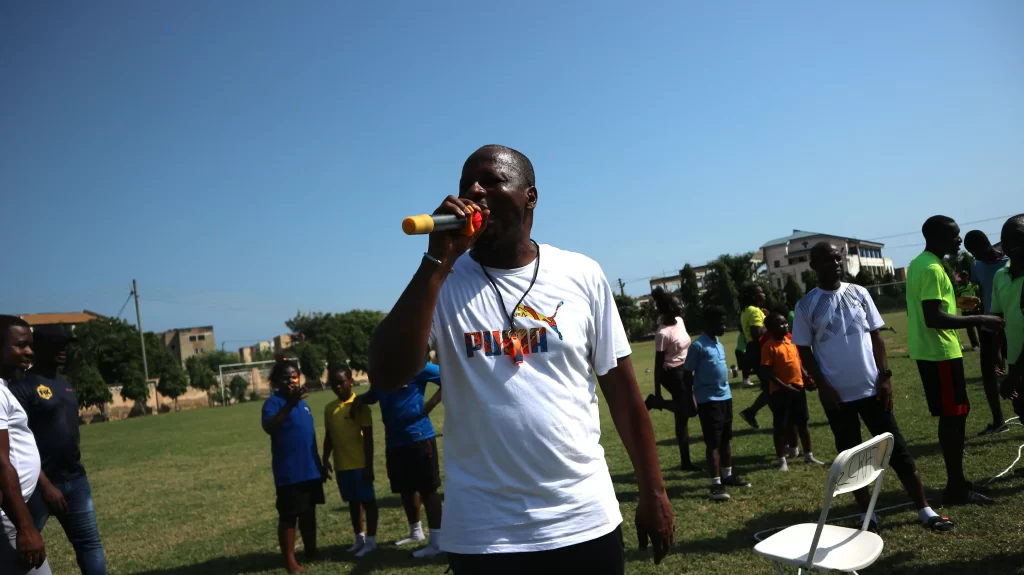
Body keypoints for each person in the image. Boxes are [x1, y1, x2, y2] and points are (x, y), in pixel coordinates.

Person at [367, 145, 673, 574]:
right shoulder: (442, 283)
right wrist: (437, 262)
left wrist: (654, 491)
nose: (475, 192)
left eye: (491, 181)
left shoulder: (581, 274)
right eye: (466, 185)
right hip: (484, 534)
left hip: (583, 520)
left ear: (530, 196)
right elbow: (385, 374)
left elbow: (623, 396)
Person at [795, 243, 954, 532]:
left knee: (897, 450)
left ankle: (925, 509)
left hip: (872, 390)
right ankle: (867, 515)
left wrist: (885, 377)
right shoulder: (806, 305)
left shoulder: (859, 292)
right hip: (838, 397)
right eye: (828, 259)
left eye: (838, 258)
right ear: (813, 265)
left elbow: (876, 337)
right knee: (851, 458)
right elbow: (804, 351)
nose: (836, 263)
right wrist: (824, 387)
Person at [907, 216, 1004, 505]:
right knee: (953, 418)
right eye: (954, 236)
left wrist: (963, 306)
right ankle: (956, 489)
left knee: (956, 415)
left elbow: (933, 307)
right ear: (936, 237)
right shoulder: (932, 268)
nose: (959, 241)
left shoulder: (920, 263)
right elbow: (933, 317)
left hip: (932, 351)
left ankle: (958, 482)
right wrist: (981, 318)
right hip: (940, 352)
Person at [7, 325, 107, 574]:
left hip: (76, 480)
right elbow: (17, 443)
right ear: (38, 348)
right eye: (56, 345)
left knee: (89, 544)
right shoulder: (22, 386)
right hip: (38, 487)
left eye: (65, 345)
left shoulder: (65, 385)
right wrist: (46, 486)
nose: (63, 350)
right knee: (22, 549)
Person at [351, 362, 444, 558]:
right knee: (405, 489)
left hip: (419, 437)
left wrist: (430, 404)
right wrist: (360, 399)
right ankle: (415, 532)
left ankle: (437, 542)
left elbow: (448, 378)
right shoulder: (381, 368)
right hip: (394, 441)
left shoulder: (416, 364)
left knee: (428, 490)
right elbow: (375, 394)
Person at [261, 356, 325, 574]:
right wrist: (289, 404)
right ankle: (290, 561)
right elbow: (269, 427)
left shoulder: (304, 404)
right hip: (289, 471)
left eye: (295, 377)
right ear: (276, 382)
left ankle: (311, 551)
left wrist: (318, 463)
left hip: (310, 469)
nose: (291, 381)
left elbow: (309, 436)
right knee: (289, 516)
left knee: (309, 512)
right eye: (286, 378)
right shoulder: (273, 403)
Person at [683, 306, 751, 501]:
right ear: (708, 323)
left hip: (725, 398)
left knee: (725, 439)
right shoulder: (698, 346)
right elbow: (687, 374)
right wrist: (691, 399)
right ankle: (716, 483)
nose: (724, 326)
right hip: (708, 400)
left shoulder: (718, 344)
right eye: (720, 323)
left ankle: (727, 475)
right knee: (713, 442)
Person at [0, 315, 50, 574]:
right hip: (8, 519)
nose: (30, 352)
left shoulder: (4, 388)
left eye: (30, 345)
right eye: (21, 345)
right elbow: (1, 462)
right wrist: (25, 527)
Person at [322, 364, 378, 557]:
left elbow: (369, 439)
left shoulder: (360, 406)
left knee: (368, 502)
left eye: (341, 382)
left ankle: (371, 541)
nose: (338, 387)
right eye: (333, 384)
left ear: (351, 382)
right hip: (342, 465)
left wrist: (369, 466)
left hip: (360, 464)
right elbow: (329, 436)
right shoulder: (329, 409)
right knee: (353, 503)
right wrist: (325, 458)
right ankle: (359, 539)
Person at [759, 310, 823, 471]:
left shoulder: (791, 341)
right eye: (780, 323)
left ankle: (808, 455)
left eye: (785, 322)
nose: (785, 325)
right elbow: (767, 372)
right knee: (781, 426)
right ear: (771, 328)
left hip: (798, 389)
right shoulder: (769, 346)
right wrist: (785, 387)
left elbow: (798, 364)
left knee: (803, 422)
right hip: (781, 392)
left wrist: (807, 379)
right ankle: (782, 460)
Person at [646, 288, 700, 472]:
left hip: (685, 369)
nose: (681, 307)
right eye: (678, 305)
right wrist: (658, 392)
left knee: (682, 417)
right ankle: (655, 402)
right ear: (670, 308)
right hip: (671, 374)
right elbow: (658, 365)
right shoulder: (663, 333)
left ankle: (685, 462)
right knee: (691, 410)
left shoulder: (680, 321)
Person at [964, 229, 1011, 435]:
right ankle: (998, 420)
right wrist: (978, 306)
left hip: (1010, 326)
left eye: (976, 251)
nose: (975, 256)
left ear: (985, 244)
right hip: (988, 327)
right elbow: (982, 291)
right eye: (971, 253)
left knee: (1016, 371)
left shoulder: (1009, 262)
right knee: (989, 374)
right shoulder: (976, 266)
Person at [993, 215, 1024, 420]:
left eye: (1019, 236)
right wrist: (997, 351)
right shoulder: (1000, 276)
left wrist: (1014, 376)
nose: (1014, 243)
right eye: (1007, 239)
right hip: (1015, 361)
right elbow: (998, 318)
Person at [738, 284, 769, 429]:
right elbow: (757, 333)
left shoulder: (746, 310)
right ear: (753, 296)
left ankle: (751, 412)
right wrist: (771, 324)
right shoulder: (754, 311)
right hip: (758, 349)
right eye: (760, 292)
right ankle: (751, 412)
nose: (764, 294)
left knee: (770, 387)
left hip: (752, 349)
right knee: (771, 387)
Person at [955, 274, 981, 351]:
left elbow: (978, 296)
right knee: (970, 329)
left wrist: (977, 305)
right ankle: (975, 345)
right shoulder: (959, 288)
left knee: (979, 327)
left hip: (975, 309)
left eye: (965, 276)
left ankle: (983, 343)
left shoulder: (973, 286)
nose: (963, 278)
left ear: (967, 277)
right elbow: (958, 299)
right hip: (965, 311)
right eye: (962, 277)